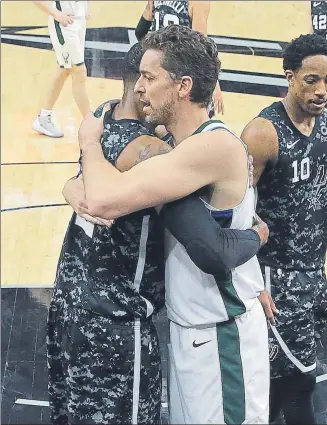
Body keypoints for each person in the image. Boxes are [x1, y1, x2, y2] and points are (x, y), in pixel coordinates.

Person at [48, 41, 267, 425]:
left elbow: (212, 249)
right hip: (189, 330)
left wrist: (88, 143)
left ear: (182, 86)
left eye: (149, 78)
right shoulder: (174, 145)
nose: (138, 88)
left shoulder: (208, 145)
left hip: (221, 335)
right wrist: (72, 185)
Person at [241, 33, 327, 425]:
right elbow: (231, 211)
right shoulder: (263, 133)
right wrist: (251, 282)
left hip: (315, 273)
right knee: (299, 387)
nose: (321, 90)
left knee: (278, 388)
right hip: (277, 279)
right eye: (311, 79)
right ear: (290, 77)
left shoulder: (323, 125)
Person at [135, 0, 224, 116]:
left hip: (156, 72)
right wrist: (214, 85)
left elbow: (140, 32)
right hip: (180, 76)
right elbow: (200, 47)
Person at [32, 1, 90, 138]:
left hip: (79, 20)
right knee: (79, 71)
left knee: (64, 70)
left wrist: (86, 6)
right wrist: (55, 13)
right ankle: (91, 123)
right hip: (64, 24)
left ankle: (43, 117)